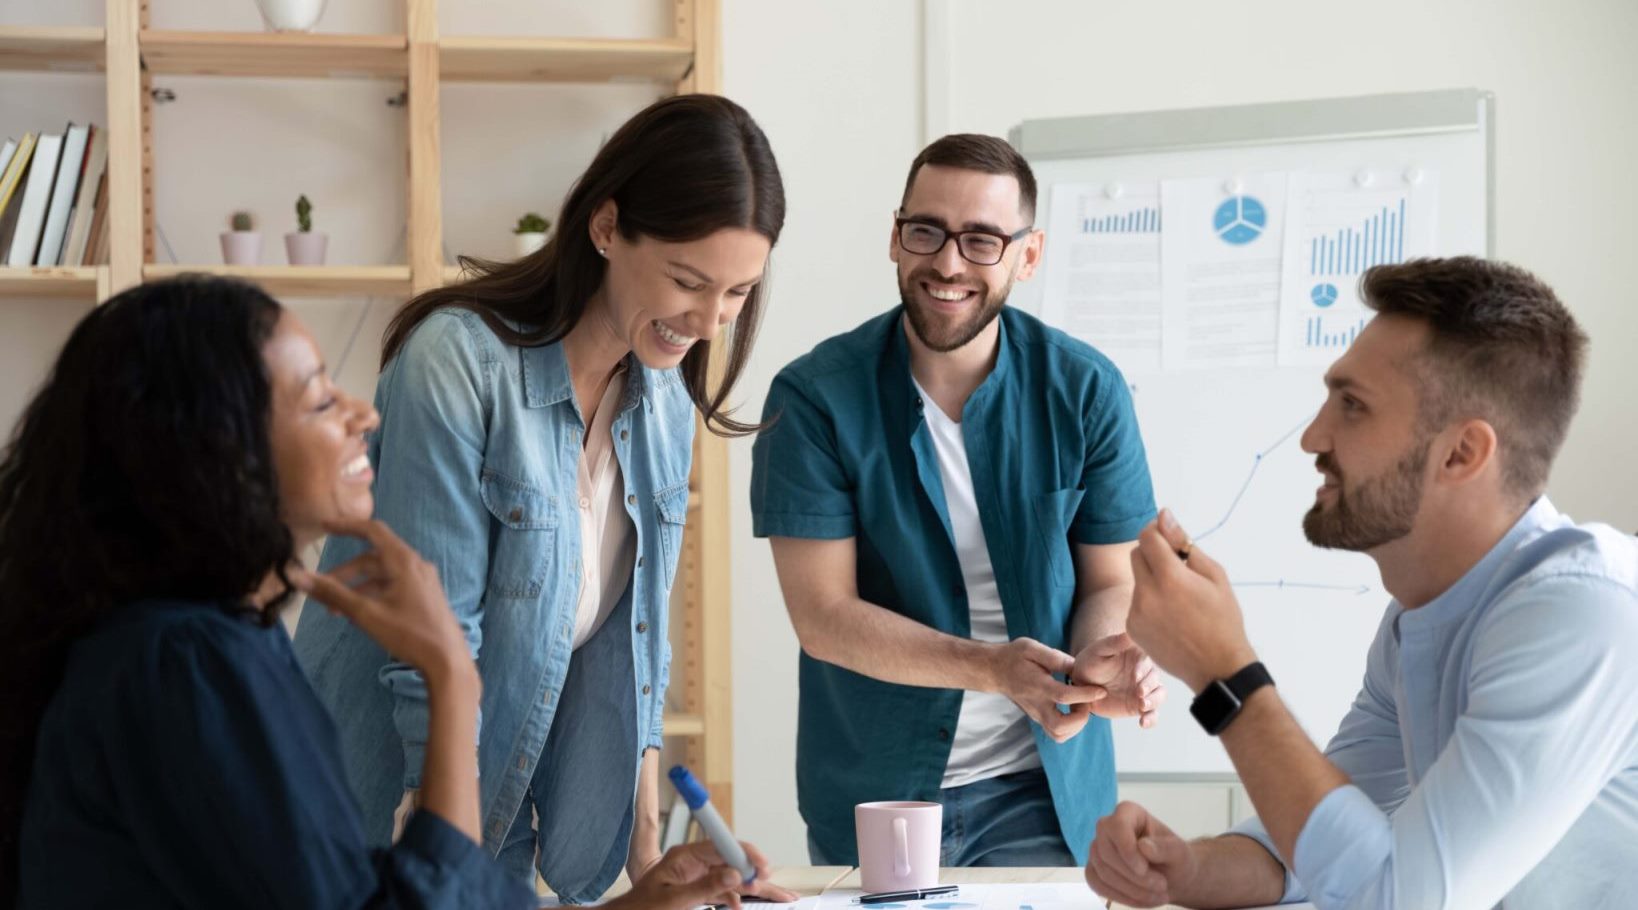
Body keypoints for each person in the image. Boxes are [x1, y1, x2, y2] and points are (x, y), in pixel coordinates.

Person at [0, 275, 776, 909]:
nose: (363, 415)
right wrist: (449, 678)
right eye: (318, 401)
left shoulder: (227, 643)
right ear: (215, 453)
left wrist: (640, 906)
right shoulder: (184, 667)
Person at [291, 94, 794, 901]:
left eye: (737, 293)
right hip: (378, 815)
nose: (708, 321)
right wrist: (440, 868)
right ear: (605, 228)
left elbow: (641, 646)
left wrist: (647, 858)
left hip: (497, 812)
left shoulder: (662, 399)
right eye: (687, 281)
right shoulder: (458, 365)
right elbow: (433, 646)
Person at [1086, 257, 1638, 908]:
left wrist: (1224, 673)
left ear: (1461, 454)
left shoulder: (1583, 613)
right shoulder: (1419, 618)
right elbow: (1330, 836)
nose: (1314, 436)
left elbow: (1393, 898)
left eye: (1352, 407)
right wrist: (1186, 869)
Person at [750, 134, 1165, 868]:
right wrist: (994, 669)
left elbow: (1112, 579)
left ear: (1027, 257)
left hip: (1041, 787)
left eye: (981, 240)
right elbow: (824, 619)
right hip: (875, 792)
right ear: (895, 237)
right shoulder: (814, 398)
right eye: (926, 231)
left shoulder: (1086, 390)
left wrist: (1096, 661)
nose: (947, 262)